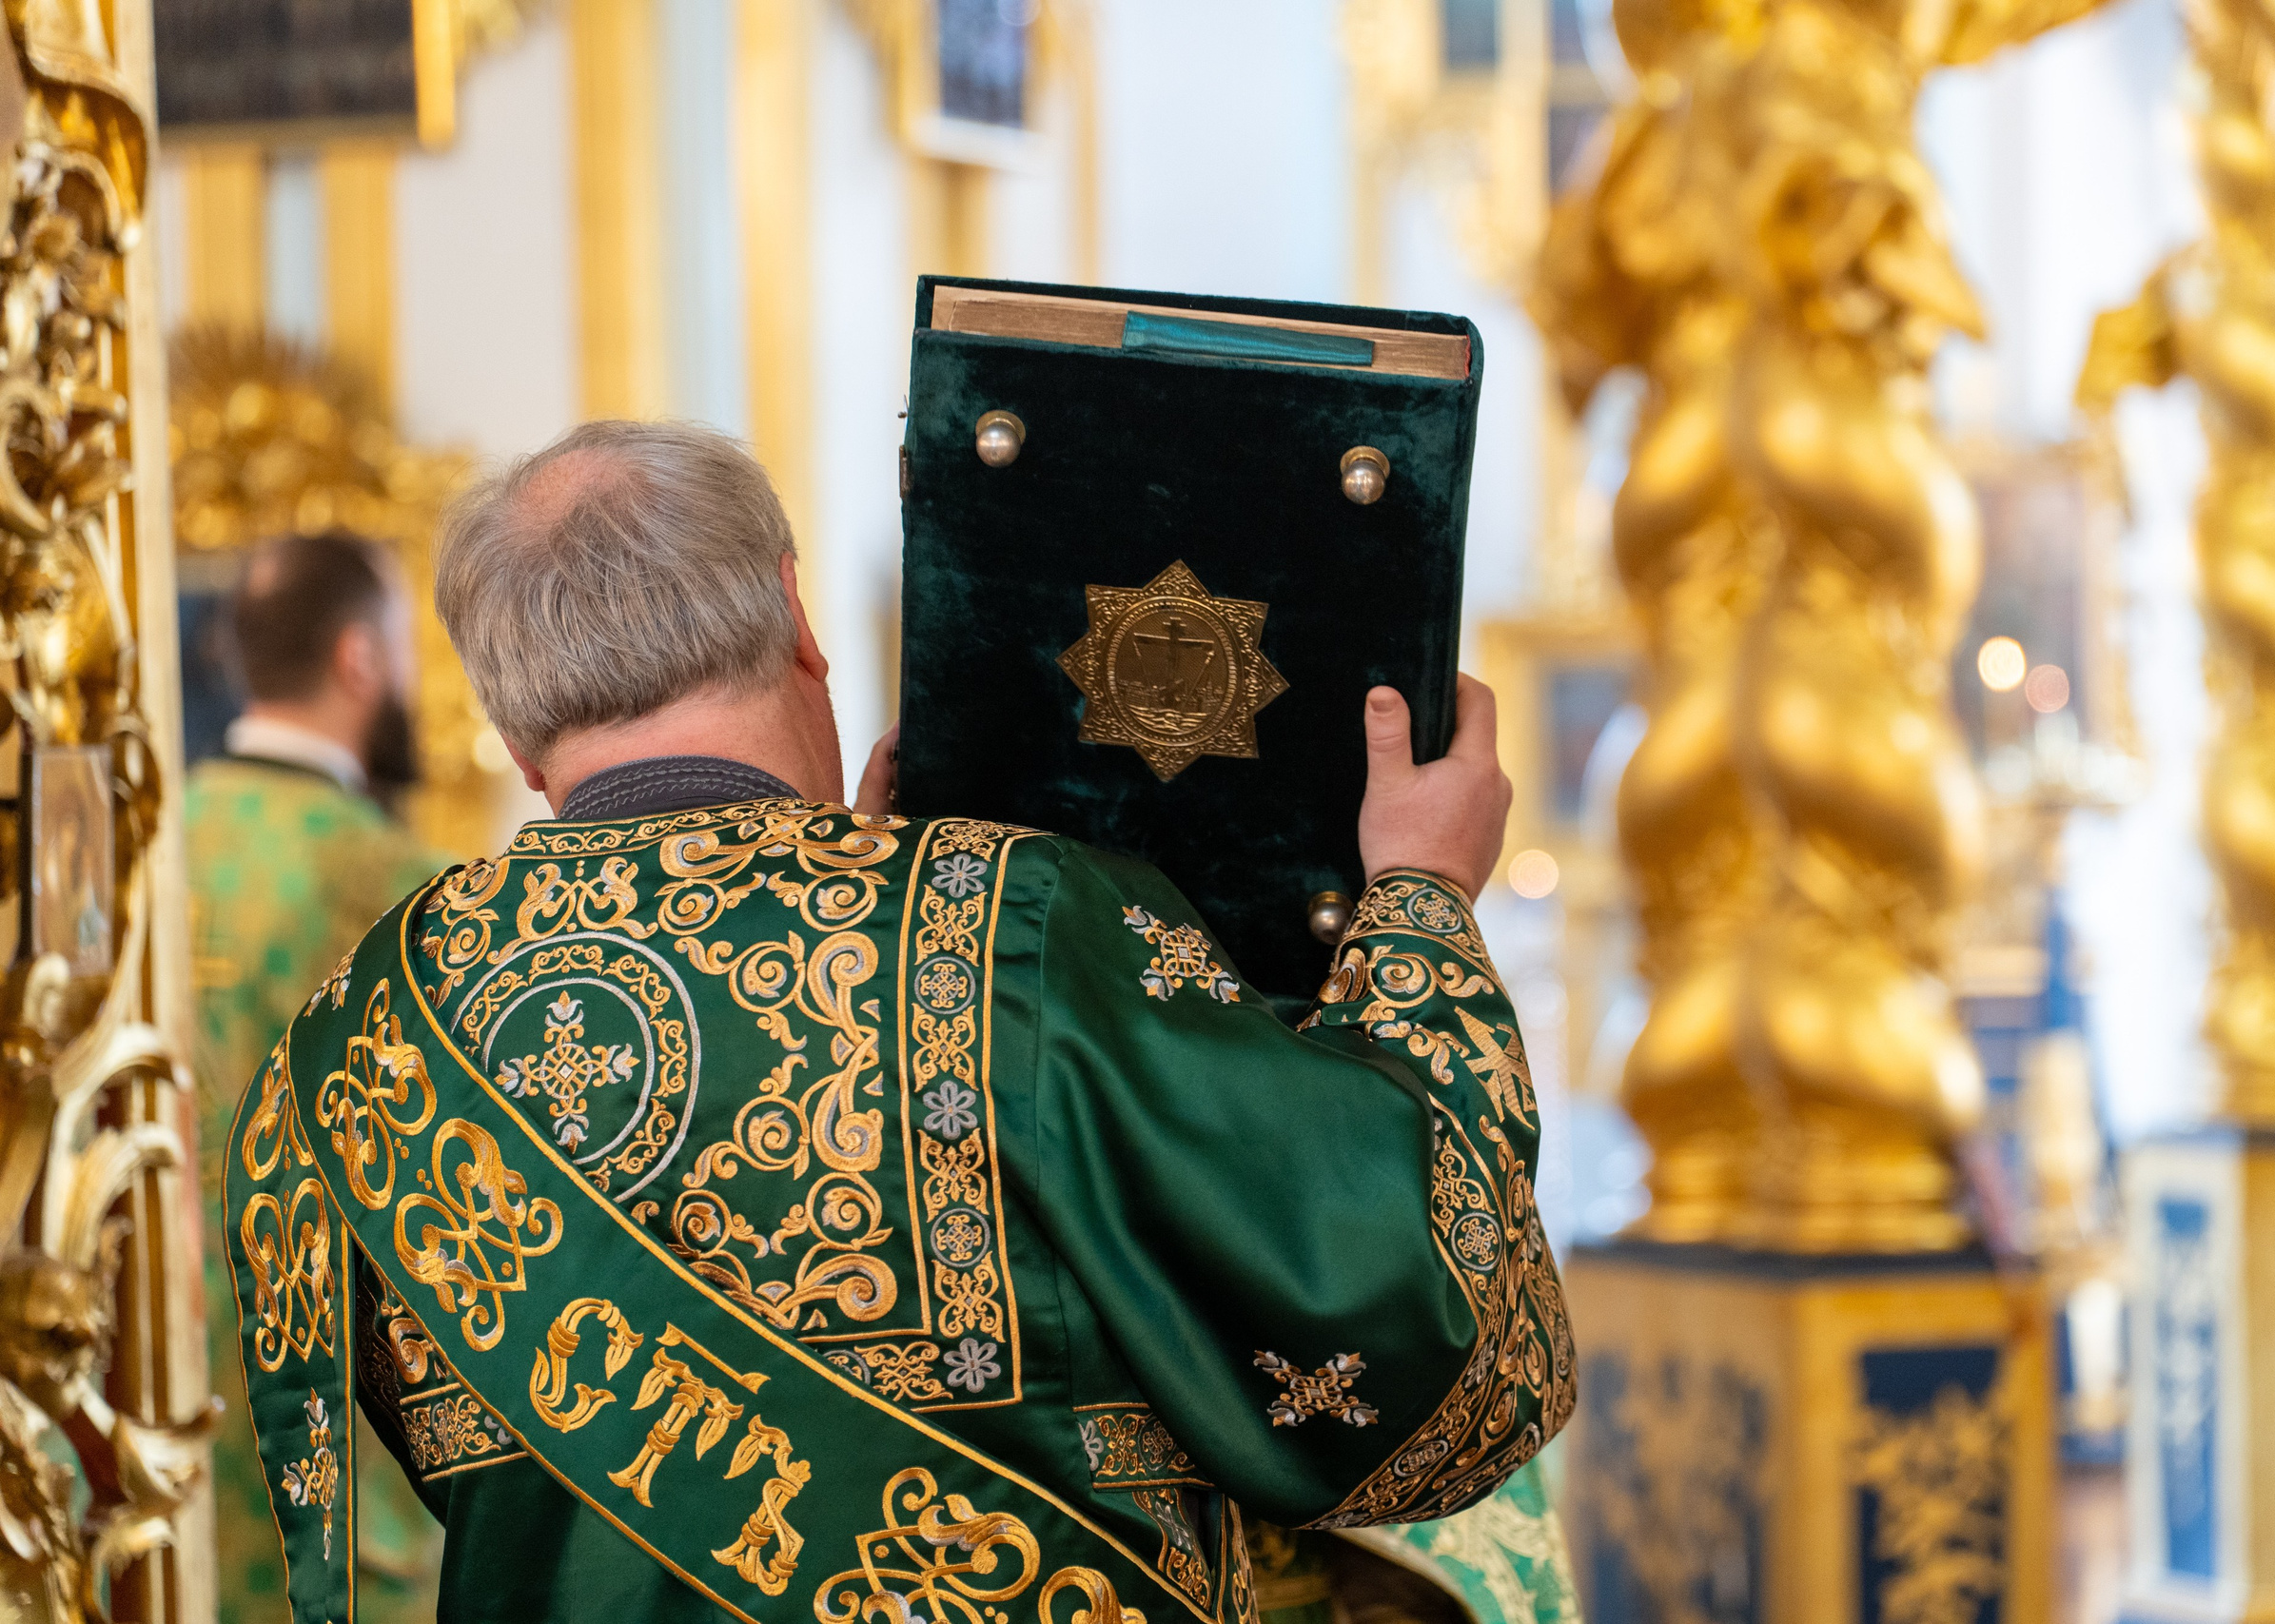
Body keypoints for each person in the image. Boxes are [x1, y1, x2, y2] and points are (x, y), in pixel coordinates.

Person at [223, 421, 1573, 1624]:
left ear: (522, 738)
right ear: (801, 625)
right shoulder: (1009, 926)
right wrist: (1423, 895)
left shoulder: (362, 1032)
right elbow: (1395, 1283)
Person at [188, 531, 451, 1624]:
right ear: (359, 661)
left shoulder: (146, 843)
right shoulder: (392, 882)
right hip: (331, 1425)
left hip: (164, 1404)